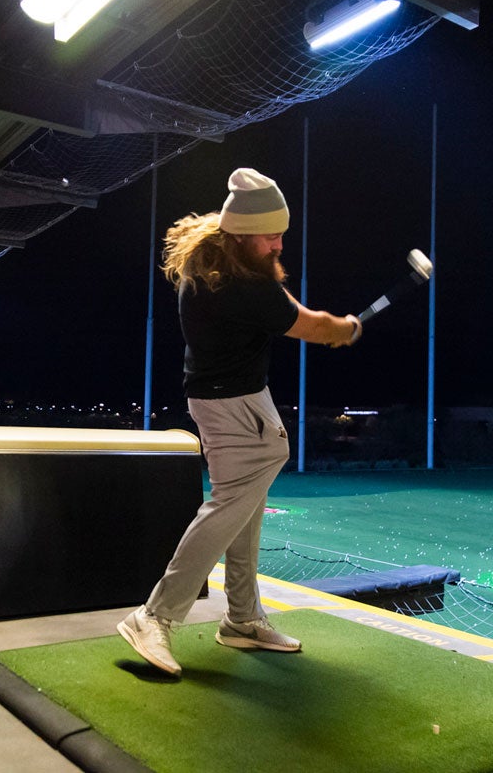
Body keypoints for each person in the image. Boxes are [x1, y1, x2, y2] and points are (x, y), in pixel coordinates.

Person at [117, 168, 362, 676]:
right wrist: (346, 329)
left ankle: (244, 619)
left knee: (245, 503)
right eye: (271, 234)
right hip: (234, 405)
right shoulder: (242, 285)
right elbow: (310, 325)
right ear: (244, 232)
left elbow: (289, 311)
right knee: (236, 497)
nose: (278, 244)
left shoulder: (215, 258)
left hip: (227, 397)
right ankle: (153, 616)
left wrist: (328, 326)